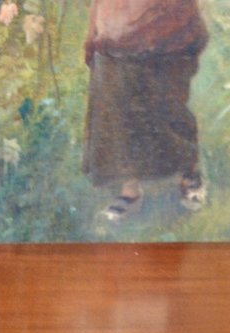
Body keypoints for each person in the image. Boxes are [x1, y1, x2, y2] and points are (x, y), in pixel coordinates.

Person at [83, 0, 207, 221]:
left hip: (165, 23)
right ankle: (129, 191)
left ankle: (189, 173)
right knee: (116, 104)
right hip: (115, 22)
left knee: (167, 102)